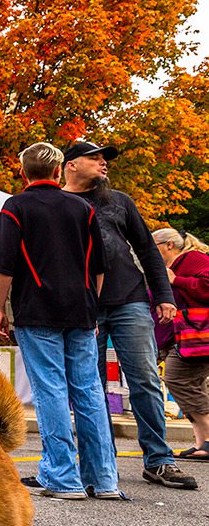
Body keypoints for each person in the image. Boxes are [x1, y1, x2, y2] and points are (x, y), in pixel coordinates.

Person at [0, 143, 119, 499]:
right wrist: (92, 304)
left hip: (37, 307)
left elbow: (5, 265)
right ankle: (103, 478)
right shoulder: (82, 208)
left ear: (24, 173)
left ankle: (62, 476)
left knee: (52, 390)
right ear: (59, 171)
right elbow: (99, 267)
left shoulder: (16, 207)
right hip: (81, 307)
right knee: (88, 390)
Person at [62, 141, 198, 489]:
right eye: (95, 158)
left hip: (130, 300)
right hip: (82, 307)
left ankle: (159, 460)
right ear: (71, 164)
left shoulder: (119, 201)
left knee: (145, 380)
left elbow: (147, 249)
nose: (103, 163)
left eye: (104, 159)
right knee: (88, 387)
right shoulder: (57, 202)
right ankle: (98, 462)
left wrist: (164, 296)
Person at [152, 228, 209, 461]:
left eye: (154, 245)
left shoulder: (193, 259)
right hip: (184, 337)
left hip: (195, 336)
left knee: (176, 378)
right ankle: (202, 443)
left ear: (169, 245)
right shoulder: (175, 265)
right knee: (193, 384)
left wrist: (178, 280)